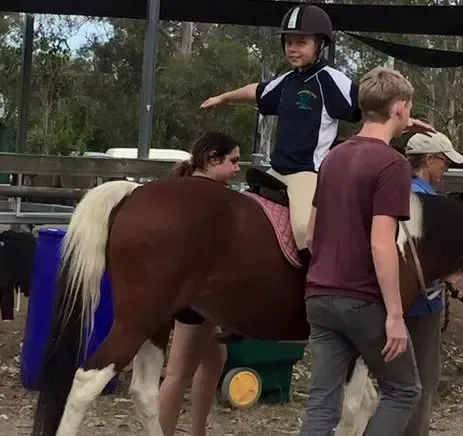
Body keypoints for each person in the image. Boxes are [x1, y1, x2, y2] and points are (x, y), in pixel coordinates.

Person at [200, 3, 432, 260]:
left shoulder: (331, 80)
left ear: (320, 44)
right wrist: (222, 98)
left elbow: (371, 103)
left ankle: (317, 288)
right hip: (275, 172)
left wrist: (405, 120)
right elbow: (256, 91)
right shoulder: (286, 81)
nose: (292, 48)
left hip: (308, 174)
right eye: (288, 42)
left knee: (305, 232)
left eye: (301, 42)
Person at [299, 66, 424, 436]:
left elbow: (311, 233)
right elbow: (381, 241)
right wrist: (396, 315)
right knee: (403, 390)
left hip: (318, 296)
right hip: (362, 299)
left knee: (322, 401)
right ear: (400, 108)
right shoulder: (392, 164)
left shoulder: (334, 157)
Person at [158, 131, 241, 436]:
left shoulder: (187, 189)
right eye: (232, 161)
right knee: (178, 372)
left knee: (215, 357)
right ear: (211, 160)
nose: (236, 169)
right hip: (195, 291)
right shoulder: (203, 196)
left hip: (193, 289)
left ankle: (197, 431)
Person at [402, 131, 463, 436]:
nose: (446, 169)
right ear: (428, 160)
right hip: (422, 301)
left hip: (393, 301)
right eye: (444, 162)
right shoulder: (427, 201)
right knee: (422, 379)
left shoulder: (396, 191)